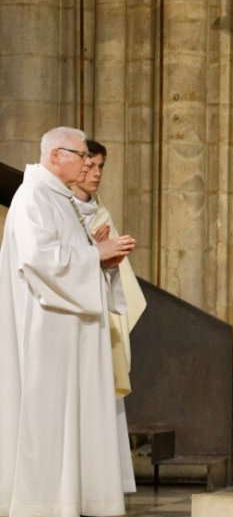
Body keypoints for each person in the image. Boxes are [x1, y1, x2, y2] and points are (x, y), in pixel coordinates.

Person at [0, 127, 137, 517]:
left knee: (72, 413)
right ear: (57, 155)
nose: (87, 163)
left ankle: (71, 501)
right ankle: (45, 504)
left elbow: (73, 254)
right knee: (51, 414)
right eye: (81, 155)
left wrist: (103, 260)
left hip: (69, 324)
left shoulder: (61, 199)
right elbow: (41, 259)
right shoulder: (32, 196)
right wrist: (96, 253)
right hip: (48, 327)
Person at [72, 139, 147, 495]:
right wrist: (92, 251)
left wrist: (108, 258)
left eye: (102, 167)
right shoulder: (58, 207)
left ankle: (104, 484)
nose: (97, 173)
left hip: (100, 316)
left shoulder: (100, 213)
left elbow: (117, 273)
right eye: (92, 166)